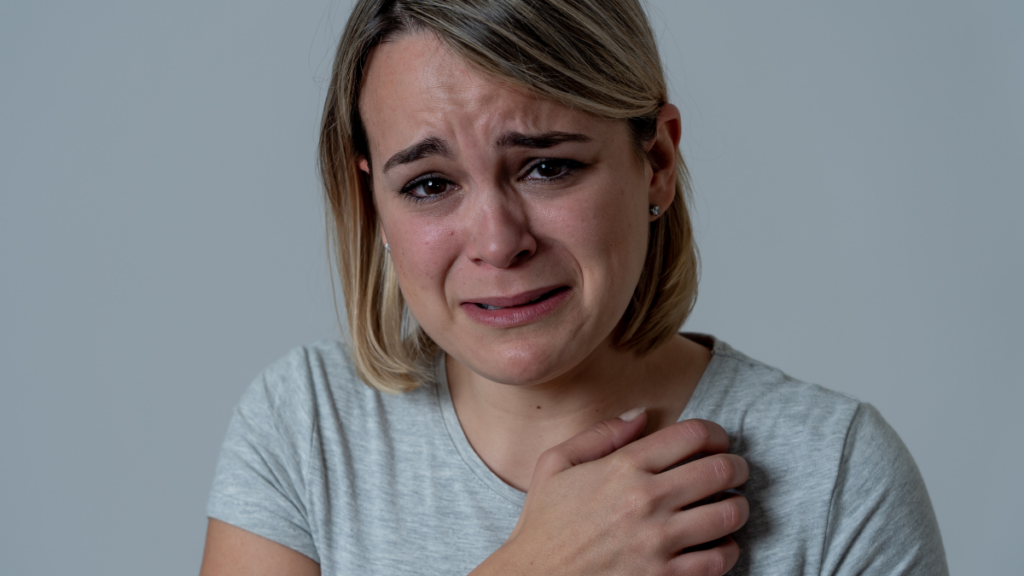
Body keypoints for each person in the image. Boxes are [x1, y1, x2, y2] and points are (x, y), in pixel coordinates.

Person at [200, 1, 947, 574]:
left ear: (654, 160)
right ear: (373, 205)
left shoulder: (838, 474)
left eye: (546, 166)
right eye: (430, 184)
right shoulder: (304, 432)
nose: (497, 241)